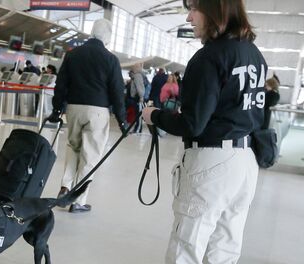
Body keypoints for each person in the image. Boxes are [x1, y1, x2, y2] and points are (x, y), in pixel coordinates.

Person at [142, 0, 266, 262]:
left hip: (212, 162)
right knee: (225, 247)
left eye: (193, 10)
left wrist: (154, 115)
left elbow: (192, 123)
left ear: (214, 11)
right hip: (245, 162)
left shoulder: (209, 57)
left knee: (187, 246)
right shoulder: (254, 54)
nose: (188, 18)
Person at [47, 18, 127, 213]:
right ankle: (78, 200)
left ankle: (65, 186)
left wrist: (57, 109)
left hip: (74, 109)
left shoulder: (73, 55)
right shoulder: (110, 59)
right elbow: (117, 91)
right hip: (98, 112)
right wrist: (122, 120)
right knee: (90, 156)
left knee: (73, 147)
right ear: (107, 37)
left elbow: (61, 84)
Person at [130, 63, 146, 133]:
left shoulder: (137, 76)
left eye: (134, 67)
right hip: (138, 97)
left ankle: (138, 129)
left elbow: (140, 87)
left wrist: (141, 96)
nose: (133, 68)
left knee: (138, 114)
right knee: (137, 114)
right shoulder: (138, 75)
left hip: (138, 97)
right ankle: (137, 128)